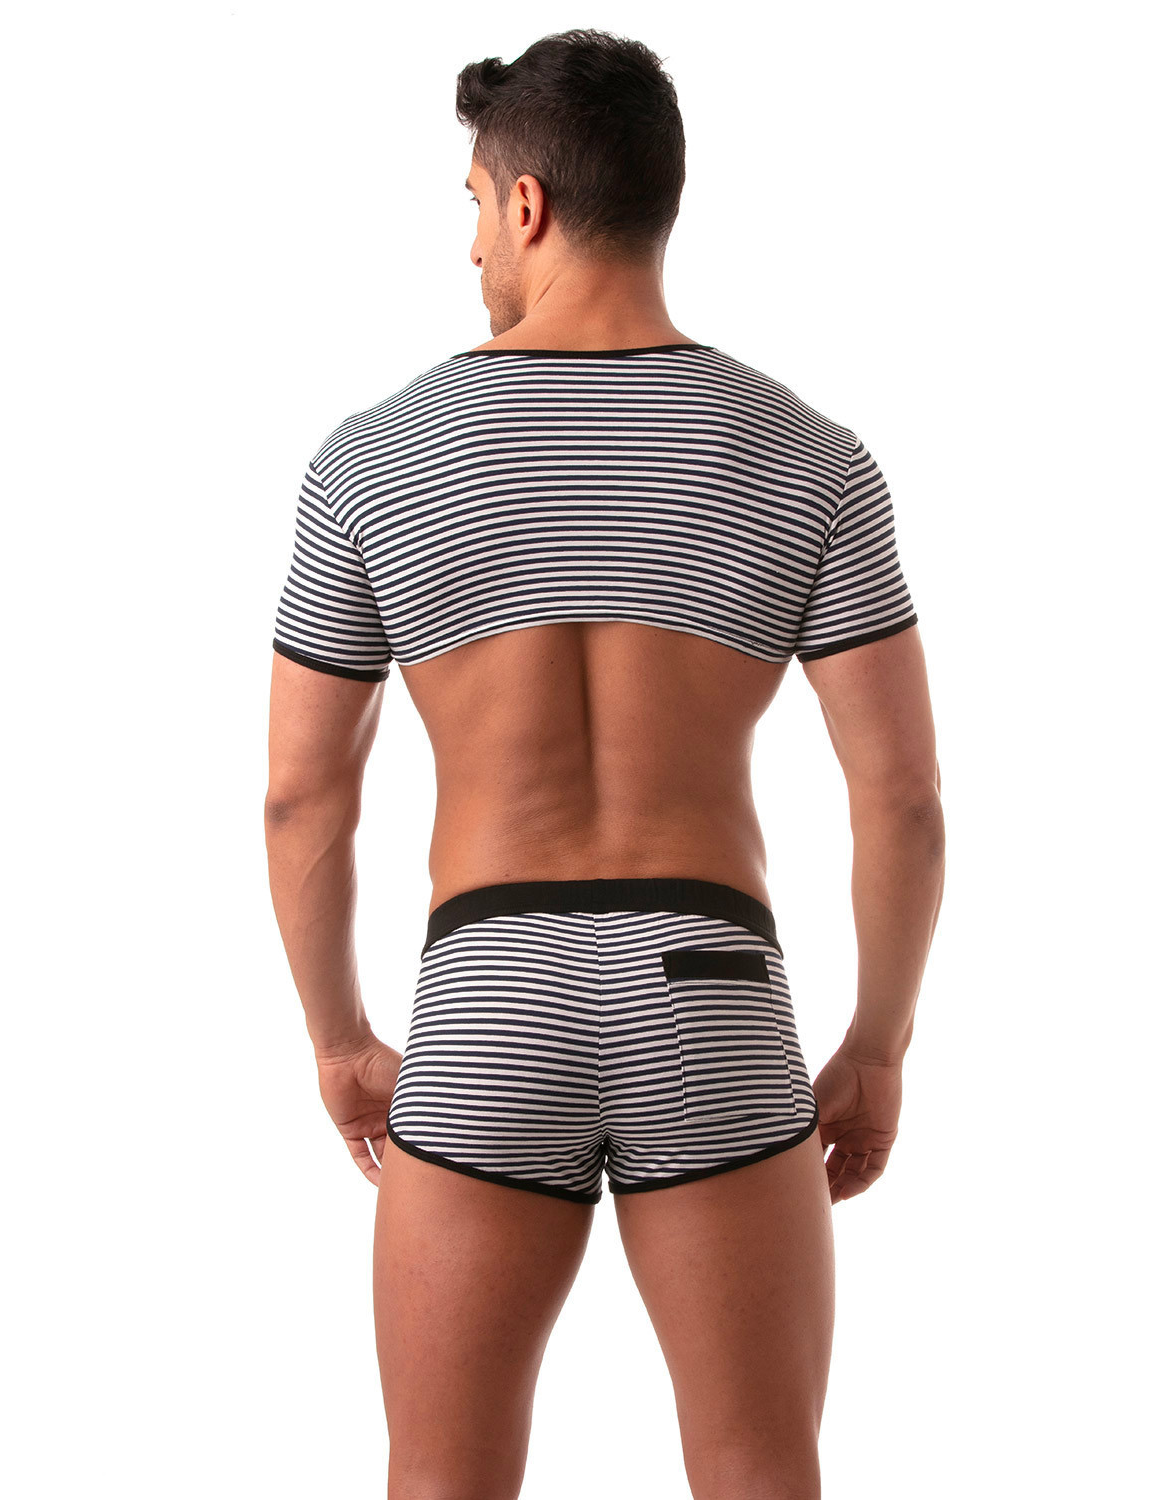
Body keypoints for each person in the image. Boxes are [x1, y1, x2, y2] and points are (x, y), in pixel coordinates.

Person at [264, 27, 944, 1500]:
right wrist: (878, 1043)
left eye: (471, 204)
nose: (469, 247)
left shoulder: (372, 457)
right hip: (711, 988)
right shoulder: (812, 456)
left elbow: (303, 793)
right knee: (761, 1469)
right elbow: (900, 797)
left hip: (487, 992)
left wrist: (340, 1036)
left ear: (527, 204)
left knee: (441, 1478)